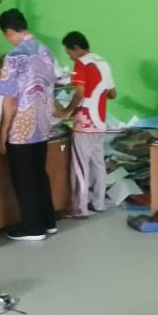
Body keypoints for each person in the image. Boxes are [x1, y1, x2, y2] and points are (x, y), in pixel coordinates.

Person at [0, 8, 58, 241]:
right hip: (42, 125)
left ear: (9, 32)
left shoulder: (14, 57)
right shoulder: (46, 51)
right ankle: (48, 221)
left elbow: (10, 99)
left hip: (21, 129)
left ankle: (33, 229)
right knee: (39, 174)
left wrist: (3, 131)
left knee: (24, 179)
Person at [59, 31, 117, 218]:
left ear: (75, 48)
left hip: (84, 122)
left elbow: (79, 93)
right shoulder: (103, 62)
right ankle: (99, 203)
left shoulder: (81, 64)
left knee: (80, 166)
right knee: (98, 164)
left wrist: (66, 111)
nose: (69, 56)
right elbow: (113, 94)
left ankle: (80, 208)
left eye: (69, 52)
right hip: (100, 121)